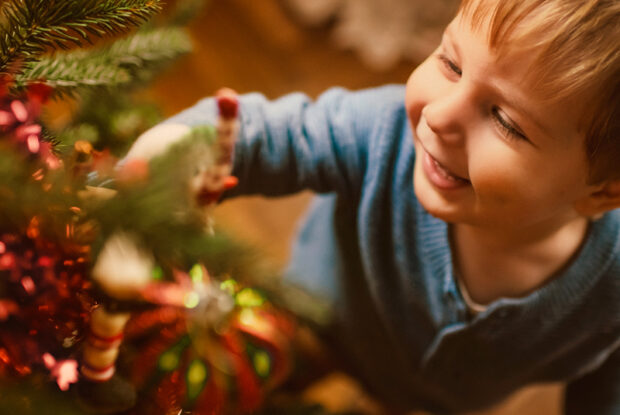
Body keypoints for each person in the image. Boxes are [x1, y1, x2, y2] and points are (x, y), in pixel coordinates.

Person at [125, 0, 620, 413]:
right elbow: (266, 135)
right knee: (258, 383)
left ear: (604, 192)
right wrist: (167, 158)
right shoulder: (379, 133)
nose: (439, 113)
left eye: (506, 121)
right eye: (450, 63)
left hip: (434, 403)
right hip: (314, 318)